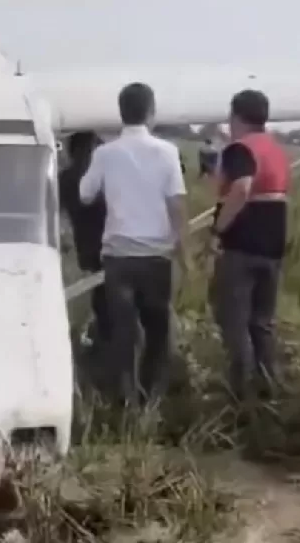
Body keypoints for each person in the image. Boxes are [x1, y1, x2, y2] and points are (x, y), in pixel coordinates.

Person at [79, 82, 189, 407]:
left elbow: (85, 193)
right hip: (156, 257)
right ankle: (152, 400)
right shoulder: (167, 153)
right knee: (157, 332)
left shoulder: (105, 153)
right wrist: (185, 255)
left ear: (121, 113)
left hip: (119, 259)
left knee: (123, 333)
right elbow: (177, 205)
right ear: (151, 112)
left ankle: (125, 402)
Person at [208, 89, 290, 403]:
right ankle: (268, 390)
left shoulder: (240, 149)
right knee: (262, 323)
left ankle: (239, 394)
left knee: (233, 319)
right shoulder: (276, 149)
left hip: (242, 245)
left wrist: (218, 230)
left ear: (236, 116)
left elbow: (241, 189)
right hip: (273, 246)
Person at [58, 131, 111, 345]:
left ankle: (98, 341)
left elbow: (58, 214)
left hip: (85, 249)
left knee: (98, 299)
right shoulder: (104, 175)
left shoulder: (65, 178)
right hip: (114, 246)